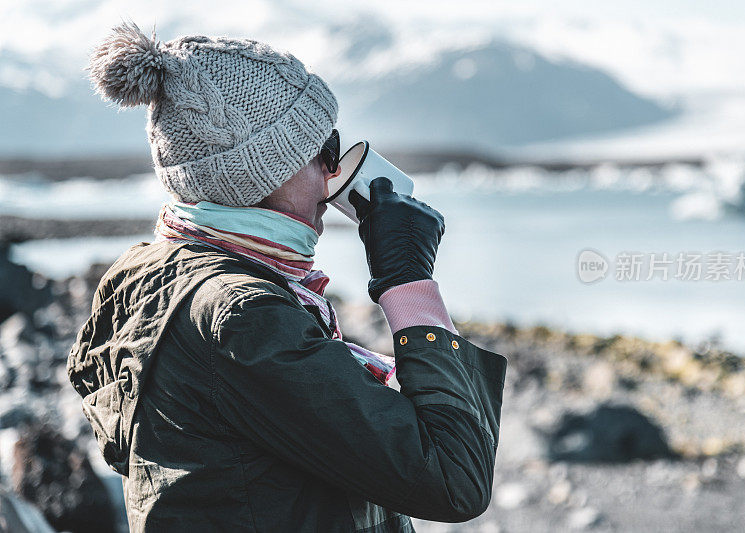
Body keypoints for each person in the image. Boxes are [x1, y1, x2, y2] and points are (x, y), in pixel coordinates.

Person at [67, 22, 507, 532]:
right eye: (322, 152)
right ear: (261, 172)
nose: (331, 173)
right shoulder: (242, 317)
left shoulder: (150, 275)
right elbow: (454, 480)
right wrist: (406, 282)